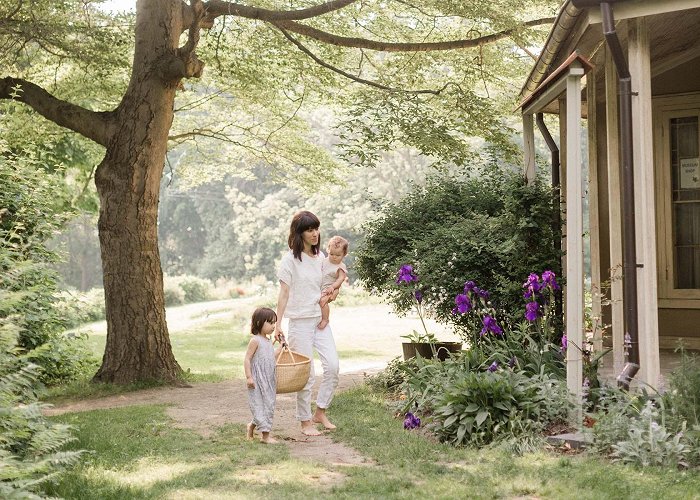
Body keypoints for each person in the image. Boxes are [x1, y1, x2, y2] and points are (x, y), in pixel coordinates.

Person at [275, 210, 339, 436]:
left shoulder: (322, 259)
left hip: (320, 321)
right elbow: (283, 293)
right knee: (306, 374)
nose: (315, 233)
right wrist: (277, 324)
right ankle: (305, 421)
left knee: (333, 366)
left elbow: (328, 287)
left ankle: (320, 411)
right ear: (299, 233)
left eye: (316, 229)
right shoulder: (290, 261)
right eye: (310, 230)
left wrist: (331, 293)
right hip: (299, 323)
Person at [244, 307, 280, 444]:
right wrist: (249, 377)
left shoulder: (268, 341)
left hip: (269, 380)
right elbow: (247, 359)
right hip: (257, 381)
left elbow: (271, 357)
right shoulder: (255, 341)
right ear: (259, 323)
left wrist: (281, 347)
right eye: (270, 323)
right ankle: (265, 436)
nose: (273, 326)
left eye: (274, 323)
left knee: (268, 406)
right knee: (258, 406)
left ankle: (251, 426)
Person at [317, 235, 349, 329]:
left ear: (344, 254)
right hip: (320, 286)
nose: (334, 257)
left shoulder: (340, 267)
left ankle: (325, 319)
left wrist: (333, 287)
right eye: (332, 254)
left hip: (329, 288)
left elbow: (340, 279)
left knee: (323, 302)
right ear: (328, 250)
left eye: (338, 255)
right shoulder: (324, 261)